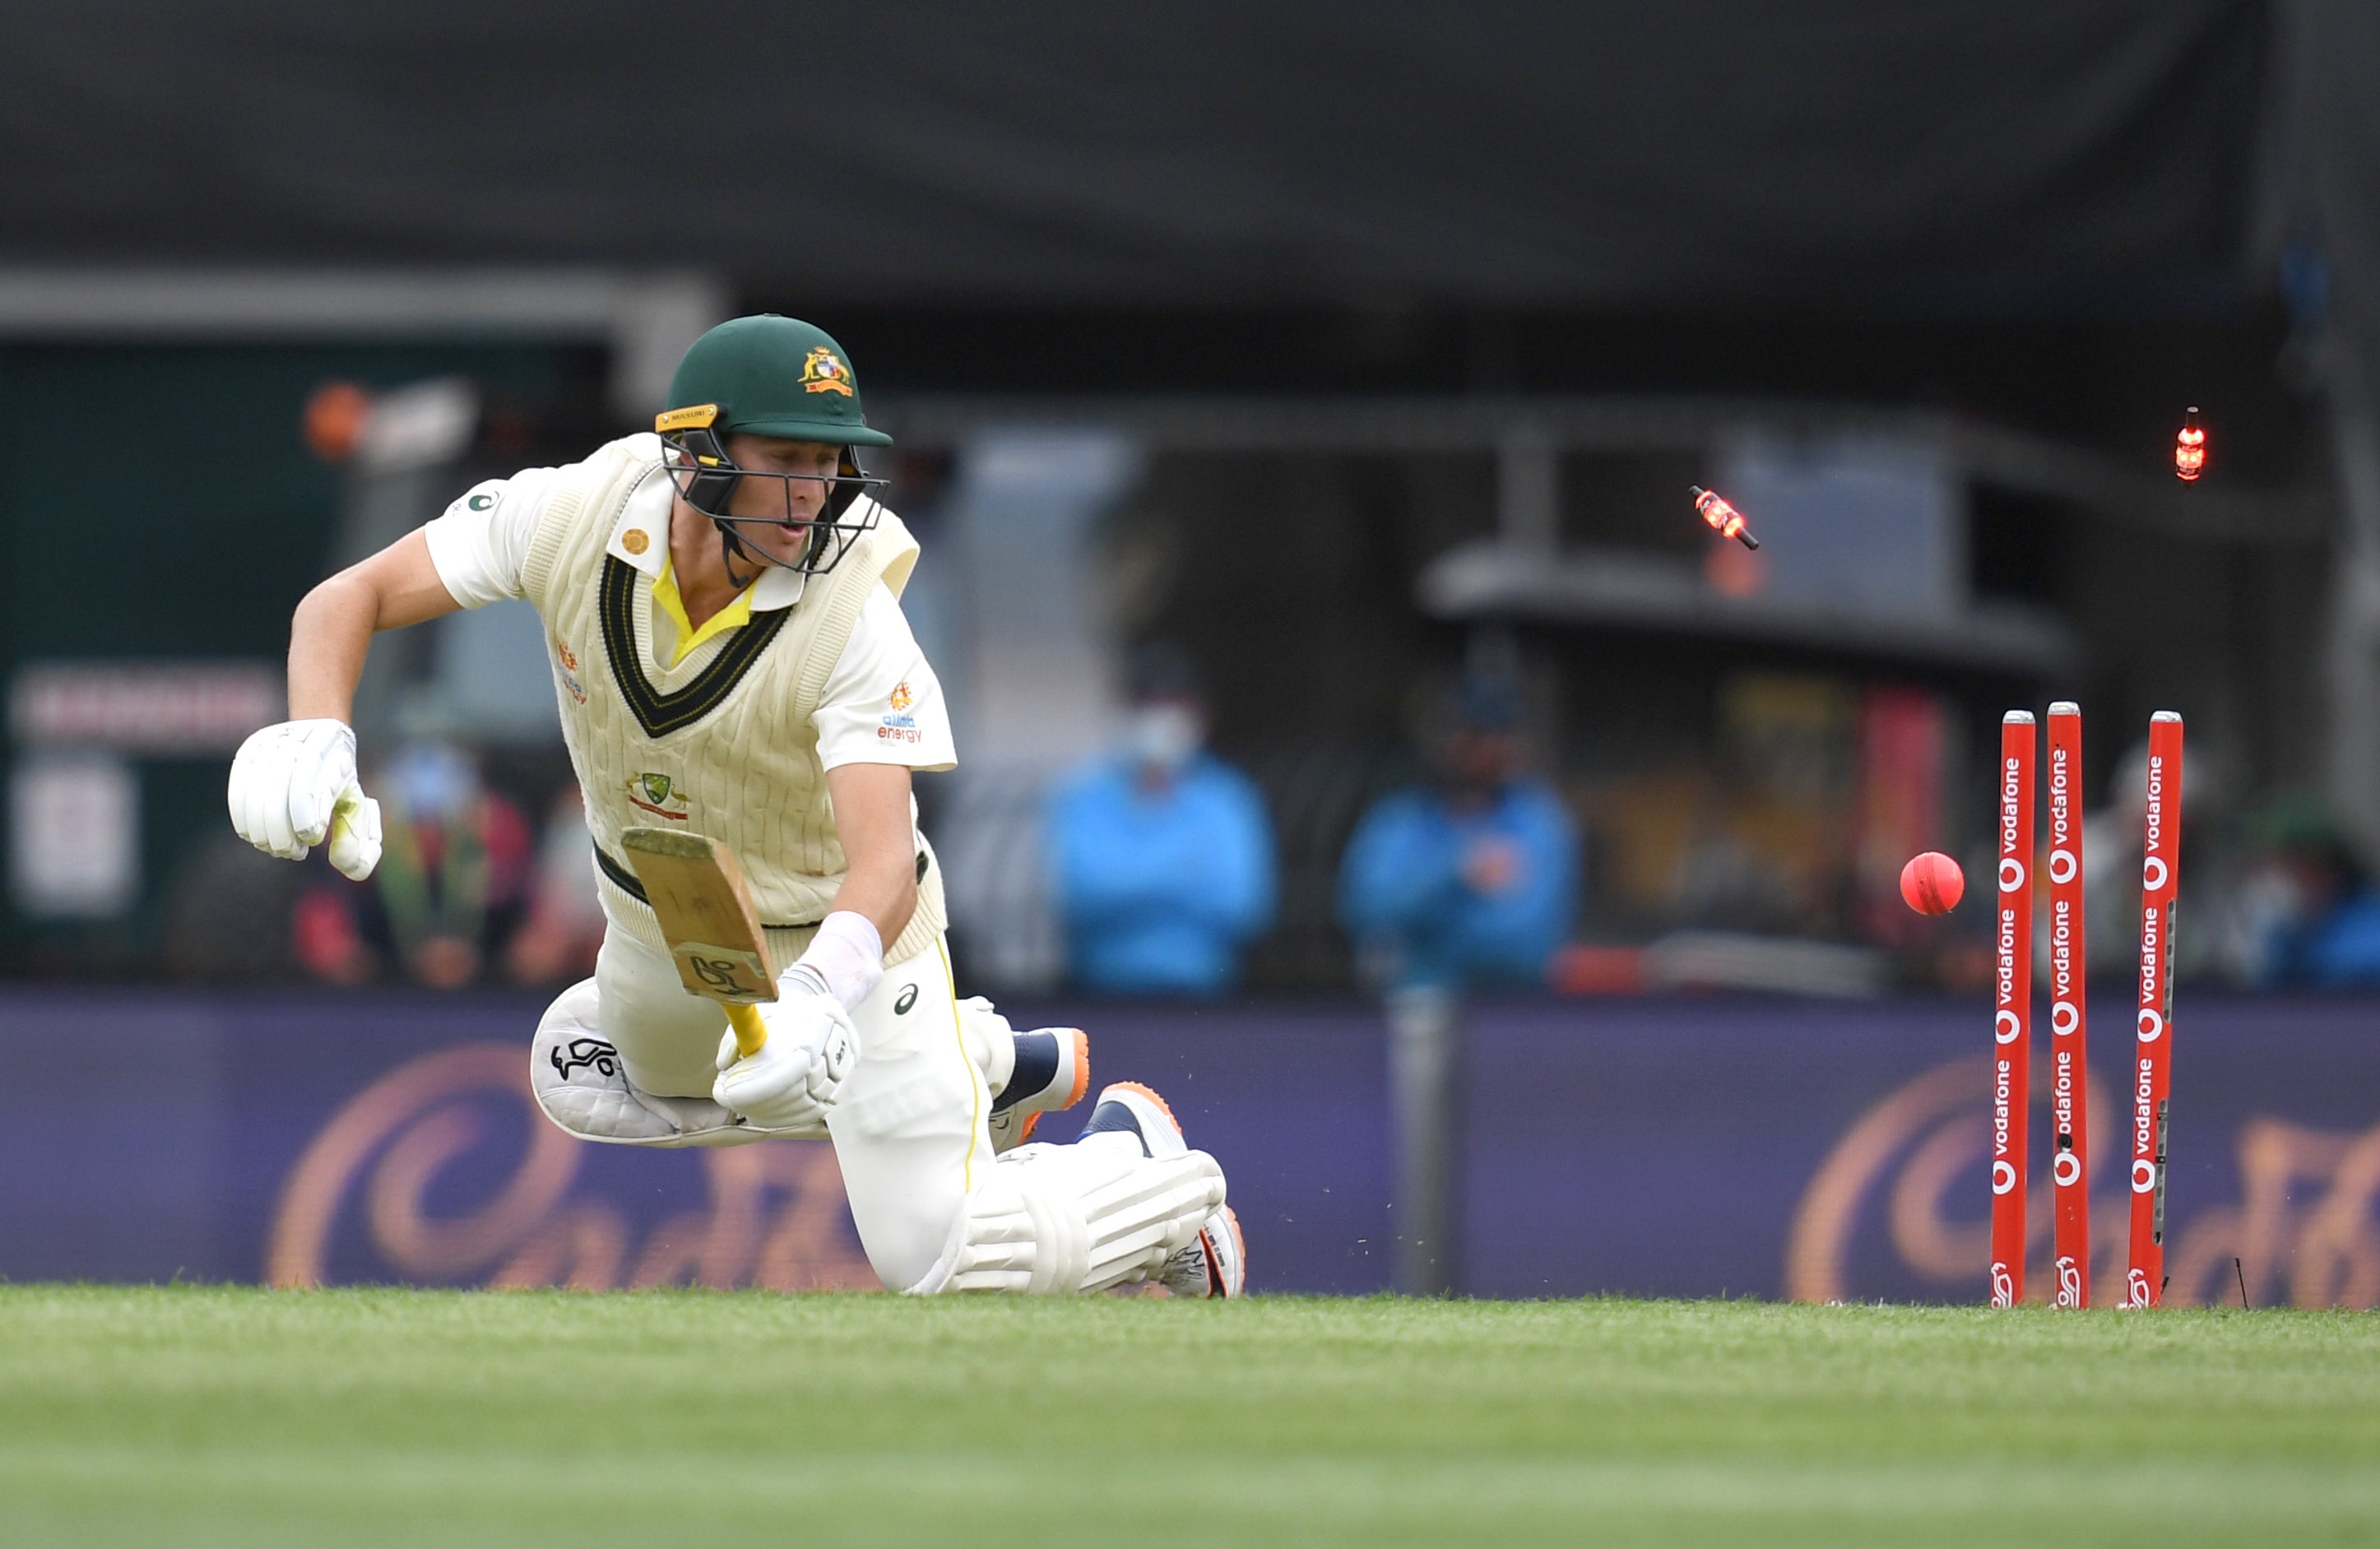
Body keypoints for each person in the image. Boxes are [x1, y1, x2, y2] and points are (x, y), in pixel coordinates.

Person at [230, 315, 1241, 1296]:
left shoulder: (854, 614)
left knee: (938, 1261)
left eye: (830, 462)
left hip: (845, 942)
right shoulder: (573, 515)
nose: (813, 495)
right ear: (699, 454)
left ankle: (1142, 1173)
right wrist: (318, 731)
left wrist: (813, 998)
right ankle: (973, 1058)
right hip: (661, 933)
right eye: (787, 457)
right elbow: (343, 598)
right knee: (572, 1071)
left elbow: (884, 862)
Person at [1337, 672, 1579, 1295]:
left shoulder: (1539, 821)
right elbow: (1365, 904)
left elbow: (1521, 937)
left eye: (1495, 738)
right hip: (1417, 1017)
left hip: (1513, 1022)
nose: (1482, 752)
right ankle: (1415, 1285)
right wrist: (1458, 875)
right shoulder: (1404, 818)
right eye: (1472, 737)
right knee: (1413, 1168)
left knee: (1511, 1174)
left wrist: (1426, 924)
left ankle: (1519, 1285)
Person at [1046, 643, 1276, 995]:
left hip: (1209, 1000)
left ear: (1200, 714)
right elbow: (1081, 897)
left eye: (1173, 704)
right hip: (1099, 999)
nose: (1160, 717)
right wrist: (1186, 868)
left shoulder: (1228, 800)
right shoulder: (1084, 798)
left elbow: (1244, 907)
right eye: (1149, 703)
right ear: (1126, 712)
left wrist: (1125, 874)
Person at [2237, 800, 2380, 988]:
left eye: (2288, 865)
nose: (2276, 878)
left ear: (2325, 867)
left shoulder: (2368, 933)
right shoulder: (2287, 934)